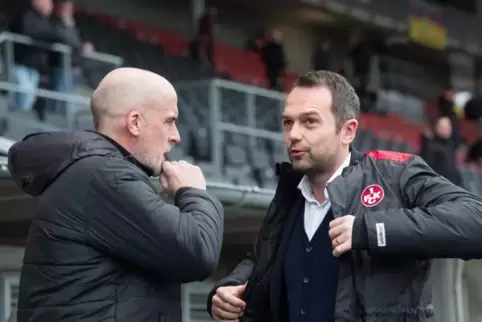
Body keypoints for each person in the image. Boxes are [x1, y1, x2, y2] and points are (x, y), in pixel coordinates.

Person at [207, 70, 482, 322]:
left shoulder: (396, 174)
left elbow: (475, 221)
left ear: (348, 131)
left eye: (309, 122)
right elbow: (262, 259)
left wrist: (371, 230)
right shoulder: (290, 194)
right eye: (288, 122)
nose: (293, 134)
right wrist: (229, 288)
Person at [8, 67, 224, 322]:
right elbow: (197, 252)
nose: (175, 136)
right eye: (169, 121)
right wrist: (194, 192)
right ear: (135, 122)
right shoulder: (105, 176)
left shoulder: (96, 172)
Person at [420, 116, 463, 187]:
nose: (446, 129)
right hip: (440, 186)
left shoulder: (450, 146)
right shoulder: (430, 146)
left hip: (453, 185)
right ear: (436, 128)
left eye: (447, 127)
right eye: (442, 127)